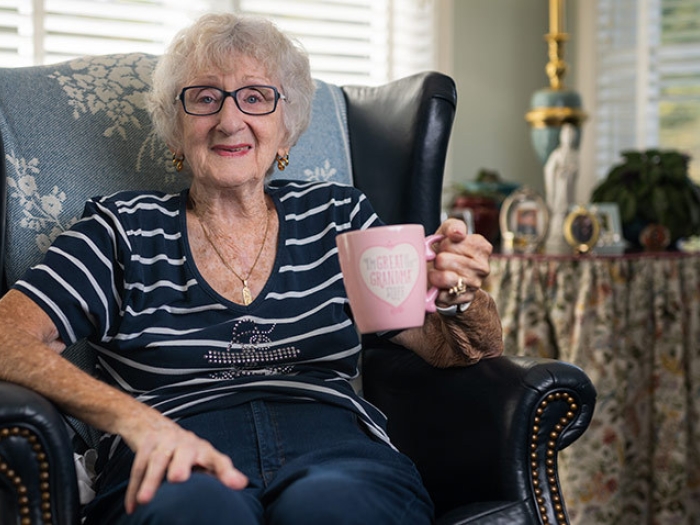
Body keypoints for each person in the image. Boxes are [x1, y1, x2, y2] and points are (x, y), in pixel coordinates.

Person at [0, 12, 503, 525]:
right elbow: (4, 336)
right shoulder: (123, 229)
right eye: (204, 98)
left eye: (256, 97)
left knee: (338, 509)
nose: (230, 120)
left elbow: (458, 348)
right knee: (198, 512)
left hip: (335, 444)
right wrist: (133, 421)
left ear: (286, 129)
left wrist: (454, 290)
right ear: (175, 132)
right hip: (174, 450)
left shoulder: (339, 218)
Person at [544, 123, 579, 251]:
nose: (569, 138)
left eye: (571, 135)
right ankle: (557, 233)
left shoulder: (574, 154)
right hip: (560, 187)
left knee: (569, 209)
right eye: (566, 135)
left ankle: (568, 234)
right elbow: (549, 170)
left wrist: (571, 172)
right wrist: (560, 173)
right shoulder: (557, 154)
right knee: (559, 210)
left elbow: (576, 171)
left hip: (569, 187)